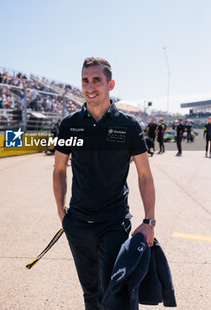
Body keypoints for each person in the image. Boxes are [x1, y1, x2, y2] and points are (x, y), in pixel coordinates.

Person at [53, 57, 156, 310]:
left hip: (113, 223)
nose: (90, 86)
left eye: (96, 80)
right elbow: (59, 169)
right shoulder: (69, 125)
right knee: (90, 293)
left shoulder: (128, 126)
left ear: (110, 84)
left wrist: (149, 221)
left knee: (113, 294)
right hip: (78, 224)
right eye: (85, 80)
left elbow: (145, 175)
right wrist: (61, 211)